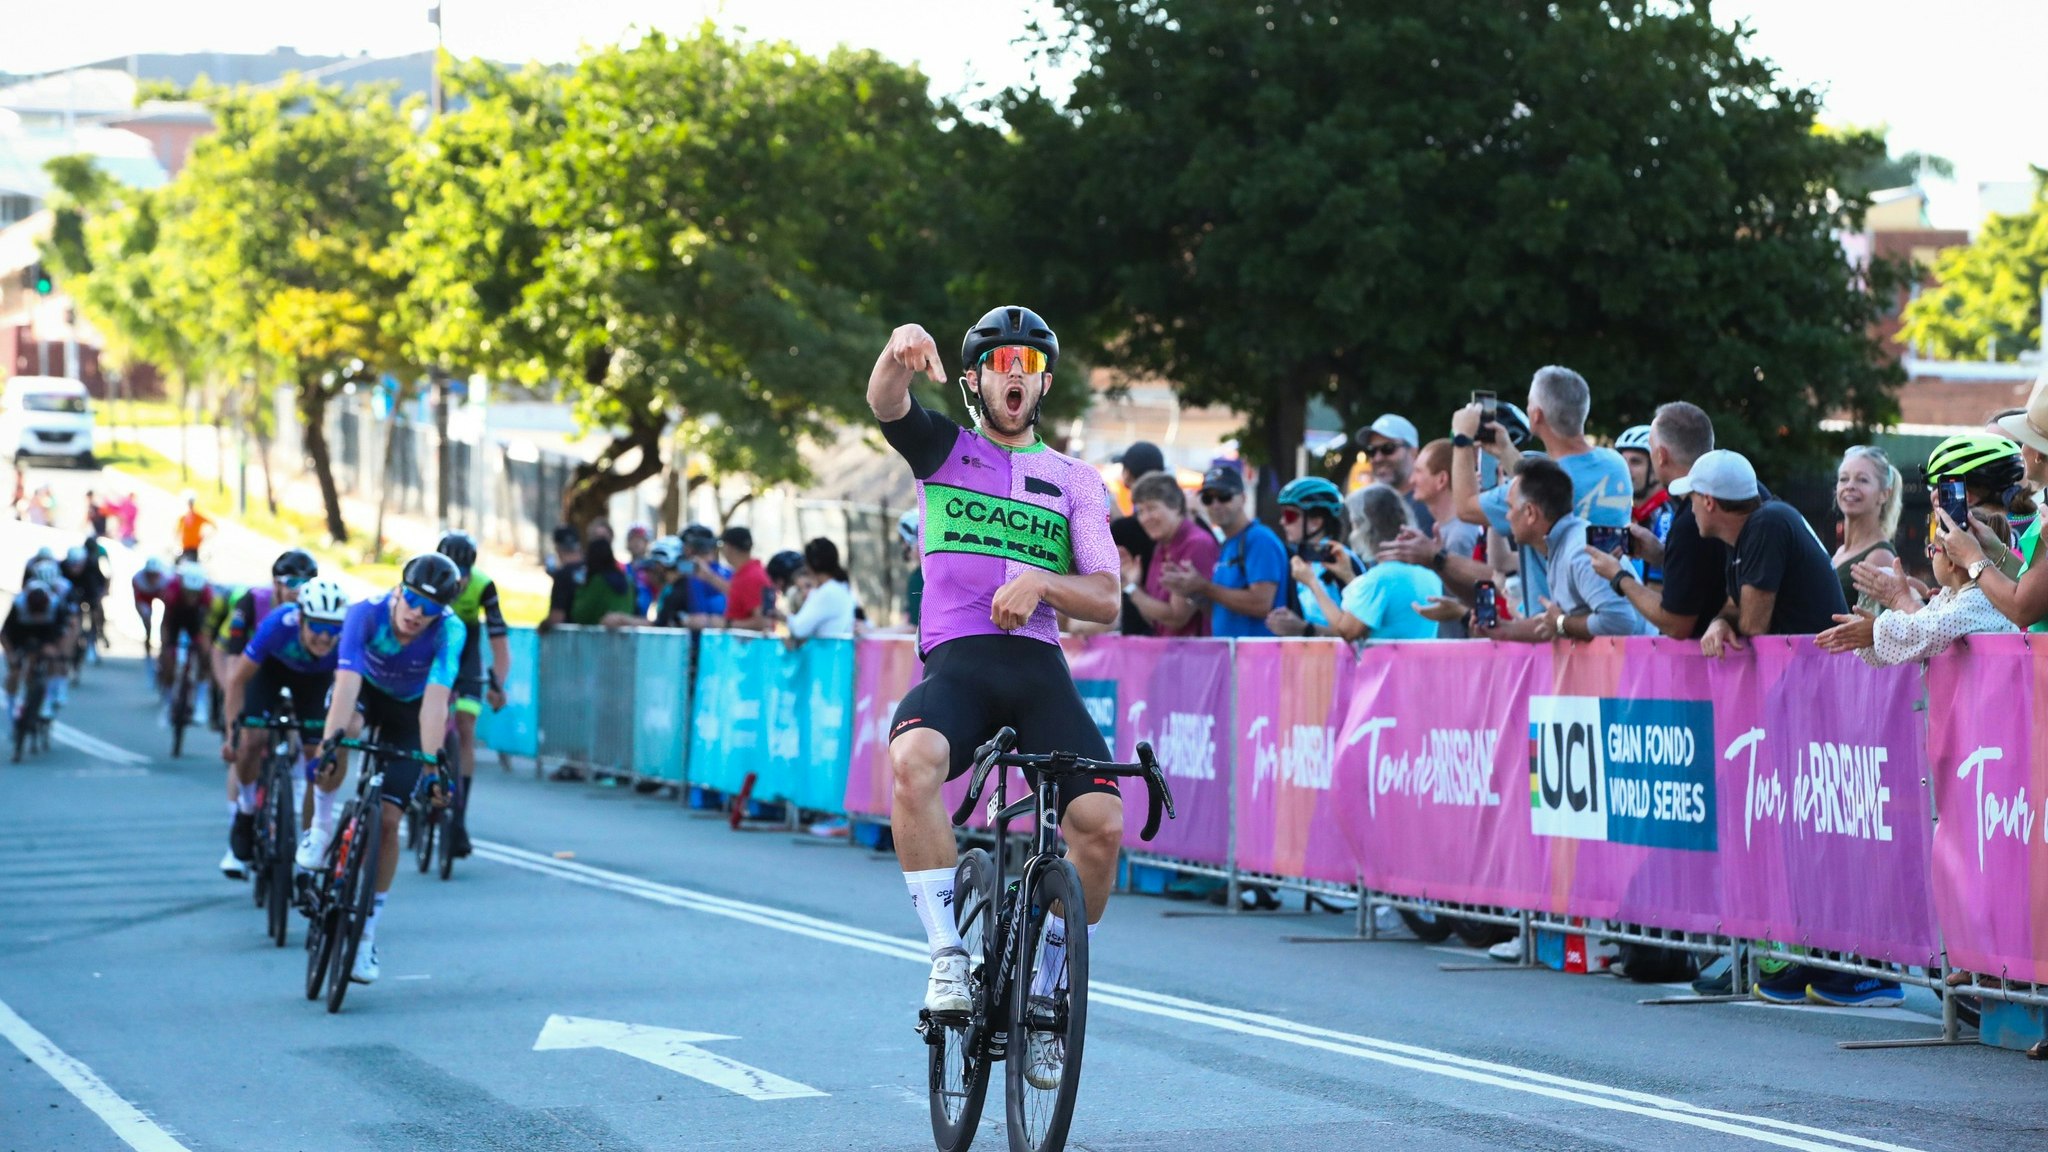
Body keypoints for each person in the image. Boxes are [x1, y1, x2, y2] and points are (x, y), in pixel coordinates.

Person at [867, 306, 1123, 1074]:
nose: (1018, 373)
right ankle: (946, 953)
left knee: (1103, 827)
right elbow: (886, 402)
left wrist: (1043, 580)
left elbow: (1107, 598)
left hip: (1038, 669)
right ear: (976, 378)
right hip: (960, 665)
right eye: (1003, 361)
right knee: (914, 764)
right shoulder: (945, 450)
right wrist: (896, 349)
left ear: (1042, 384)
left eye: (1032, 365)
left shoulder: (1076, 480)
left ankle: (1047, 987)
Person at [299, 554, 466, 987]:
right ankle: (320, 828)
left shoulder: (451, 631)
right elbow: (347, 684)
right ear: (399, 590)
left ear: (441, 612)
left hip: (410, 712)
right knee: (342, 734)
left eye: (429, 608)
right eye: (411, 599)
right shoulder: (364, 614)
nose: (416, 613)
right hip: (364, 694)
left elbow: (435, 703)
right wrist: (331, 745)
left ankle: (368, 932)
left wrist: (432, 768)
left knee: (389, 823)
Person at [1452, 367, 1633, 618]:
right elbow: (1546, 481)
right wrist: (1506, 451)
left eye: (1528, 404)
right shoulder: (1615, 464)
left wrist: (1461, 440)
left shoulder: (1545, 484)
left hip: (1559, 622)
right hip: (1615, 608)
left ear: (1536, 415)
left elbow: (1464, 507)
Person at [216, 579, 350, 879]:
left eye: (333, 629)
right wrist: (231, 735)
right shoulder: (278, 625)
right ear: (301, 618)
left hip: (315, 683)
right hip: (271, 672)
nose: (325, 637)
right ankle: (247, 808)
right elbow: (237, 680)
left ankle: (308, 841)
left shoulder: (344, 639)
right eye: (317, 627)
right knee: (252, 741)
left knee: (317, 759)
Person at [1587, 402, 1731, 640]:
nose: (1627, 470)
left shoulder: (1684, 519)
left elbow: (1676, 623)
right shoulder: (1727, 492)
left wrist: (1618, 576)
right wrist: (1661, 555)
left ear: (1660, 456)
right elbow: (1701, 572)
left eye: (1637, 460)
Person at [1679, 451, 1846, 655]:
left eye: (1691, 498)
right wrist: (1720, 622)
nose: (1691, 509)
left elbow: (1753, 624)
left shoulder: (1766, 524)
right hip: (1808, 667)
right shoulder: (1746, 530)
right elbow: (1734, 605)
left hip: (1817, 670)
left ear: (1708, 501)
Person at [1489, 458, 1650, 641]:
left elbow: (1619, 621)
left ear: (1530, 513)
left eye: (1510, 507)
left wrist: (1561, 624)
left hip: (1640, 667)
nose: (1507, 516)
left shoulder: (1579, 552)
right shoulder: (1565, 545)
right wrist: (1504, 629)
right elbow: (1557, 624)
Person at [436, 531, 511, 858]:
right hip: (432, 644)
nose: (461, 583)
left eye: (465, 575)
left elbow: (499, 641)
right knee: (432, 720)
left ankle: (459, 819)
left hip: (467, 649)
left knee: (466, 726)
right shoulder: (429, 574)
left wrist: (498, 682)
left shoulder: (483, 585)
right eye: (456, 575)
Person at [1306, 484, 1442, 642]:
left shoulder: (1381, 578)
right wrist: (1348, 576)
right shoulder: (1427, 573)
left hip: (1388, 666)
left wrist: (1312, 582)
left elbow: (1346, 630)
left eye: (1354, 524)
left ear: (1365, 527)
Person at [1163, 465, 1287, 638]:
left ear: (1243, 498)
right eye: (1207, 499)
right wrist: (1191, 591)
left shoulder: (1259, 539)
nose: (1215, 505)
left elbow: (1261, 604)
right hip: (1233, 657)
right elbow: (1221, 611)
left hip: (1259, 659)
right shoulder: (1228, 544)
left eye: (1224, 496)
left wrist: (1204, 586)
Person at [1265, 477, 1364, 638]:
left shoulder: (1344, 560)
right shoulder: (1299, 561)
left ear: (1316, 522)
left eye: (1290, 515)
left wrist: (1304, 629)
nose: (1282, 522)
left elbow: (1357, 631)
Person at [1125, 470, 1218, 637]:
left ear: (1175, 507)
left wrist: (1131, 589)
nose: (1145, 518)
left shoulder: (1196, 543)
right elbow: (1156, 619)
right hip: (1171, 655)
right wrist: (1134, 586)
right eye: (1140, 511)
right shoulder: (1161, 545)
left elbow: (1177, 619)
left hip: (1197, 658)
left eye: (1151, 508)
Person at [1830, 446, 1901, 609]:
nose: (1850, 486)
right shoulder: (1841, 552)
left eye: (1862, 480)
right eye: (1843, 479)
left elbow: (1873, 629)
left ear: (1884, 494)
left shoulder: (1879, 557)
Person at [1348, 414, 1435, 536]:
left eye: (1388, 448)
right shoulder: (1367, 507)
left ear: (1413, 452)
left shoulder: (1433, 503)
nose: (1377, 458)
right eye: (1371, 451)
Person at [152, 559, 217, 721]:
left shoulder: (208, 595)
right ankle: (168, 701)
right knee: (168, 658)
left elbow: (208, 625)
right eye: (188, 592)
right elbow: (166, 622)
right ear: (182, 586)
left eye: (195, 594)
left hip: (196, 620)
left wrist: (205, 647)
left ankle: (200, 700)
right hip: (174, 619)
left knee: (205, 655)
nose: (191, 597)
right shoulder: (172, 590)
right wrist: (165, 646)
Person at [2, 582, 66, 725]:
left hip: (45, 634)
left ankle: (48, 700)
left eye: (40, 613)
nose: (37, 616)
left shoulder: (55, 604)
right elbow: (4, 634)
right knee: (15, 671)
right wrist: (10, 654)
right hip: (21, 635)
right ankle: (12, 706)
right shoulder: (18, 605)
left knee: (52, 658)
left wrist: (57, 652)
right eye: (34, 613)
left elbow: (63, 633)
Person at [1617, 425, 1673, 583]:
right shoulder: (1627, 513)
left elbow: (1658, 589)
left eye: (1635, 462)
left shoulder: (1667, 515)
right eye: (1622, 461)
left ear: (1656, 467)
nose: (1626, 469)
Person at [785, 538, 857, 648]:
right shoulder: (841, 587)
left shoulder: (827, 592)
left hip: (827, 660)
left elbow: (799, 628)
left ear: (811, 565)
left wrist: (784, 617)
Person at [719, 527, 775, 632]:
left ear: (729, 547)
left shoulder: (752, 577)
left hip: (748, 646)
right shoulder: (748, 572)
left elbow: (763, 622)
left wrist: (727, 624)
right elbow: (737, 594)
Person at [1113, 441, 1167, 517]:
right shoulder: (1168, 506)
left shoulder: (1143, 510)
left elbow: (1132, 527)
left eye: (1123, 467)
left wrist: (1113, 506)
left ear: (1128, 473)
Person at [132, 556, 172, 657]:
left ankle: (164, 648)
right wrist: (145, 616)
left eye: (155, 575)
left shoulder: (165, 580)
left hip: (159, 594)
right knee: (147, 621)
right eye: (150, 575)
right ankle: (148, 644)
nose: (152, 579)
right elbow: (138, 601)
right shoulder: (137, 579)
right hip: (144, 597)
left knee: (167, 620)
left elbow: (169, 602)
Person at [175, 491, 214, 560]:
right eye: (189, 503)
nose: (190, 505)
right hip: (184, 548)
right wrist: (178, 543)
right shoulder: (183, 517)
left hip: (194, 548)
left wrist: (204, 537)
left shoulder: (199, 517)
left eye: (191, 503)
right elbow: (177, 532)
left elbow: (213, 526)